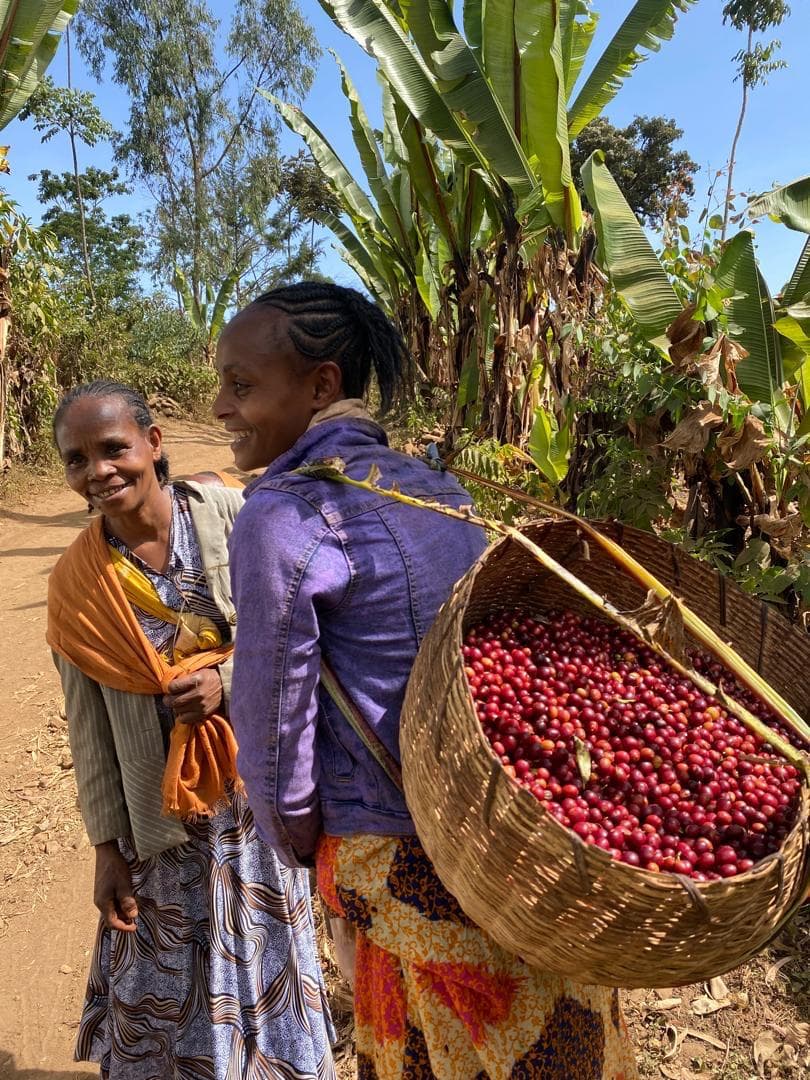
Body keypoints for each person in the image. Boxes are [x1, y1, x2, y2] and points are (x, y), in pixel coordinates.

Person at [216, 282, 638, 1079]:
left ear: (321, 386)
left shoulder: (283, 514)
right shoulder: (438, 487)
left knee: (426, 1048)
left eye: (241, 386)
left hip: (397, 849)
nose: (221, 408)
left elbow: (273, 719)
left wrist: (305, 844)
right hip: (499, 838)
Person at [46, 381, 335, 1080]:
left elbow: (306, 633)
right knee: (165, 990)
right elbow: (90, 736)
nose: (99, 472)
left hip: (255, 806)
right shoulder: (77, 584)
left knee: (264, 970)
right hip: (160, 822)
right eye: (77, 459)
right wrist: (106, 851)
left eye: (113, 448)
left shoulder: (236, 518)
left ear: (153, 443)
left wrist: (227, 684)